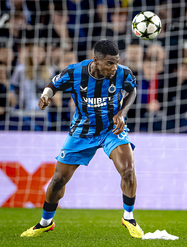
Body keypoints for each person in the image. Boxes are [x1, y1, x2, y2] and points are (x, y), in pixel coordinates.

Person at [20, 40, 143, 238]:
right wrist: (46, 95)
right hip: (82, 131)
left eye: (116, 62)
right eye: (109, 63)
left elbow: (132, 90)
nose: (114, 68)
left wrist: (122, 112)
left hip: (112, 129)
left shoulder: (123, 73)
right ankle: (45, 222)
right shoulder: (74, 72)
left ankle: (128, 217)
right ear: (96, 60)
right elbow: (53, 85)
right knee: (58, 180)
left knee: (128, 171)